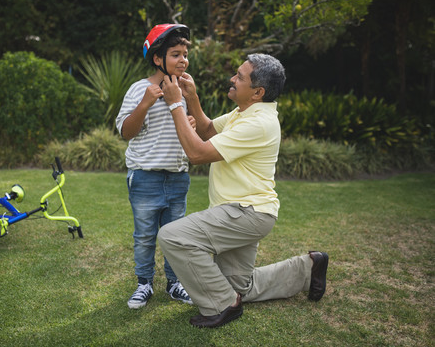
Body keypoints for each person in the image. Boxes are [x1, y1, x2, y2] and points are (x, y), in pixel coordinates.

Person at [157, 53, 329, 328]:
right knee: (239, 287)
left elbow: (197, 153)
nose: (232, 80)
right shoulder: (246, 111)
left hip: (246, 213)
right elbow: (209, 130)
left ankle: (223, 305)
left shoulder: (258, 123)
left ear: (257, 92)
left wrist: (175, 103)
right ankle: (307, 268)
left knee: (173, 236)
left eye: (239, 77)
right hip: (246, 212)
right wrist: (191, 99)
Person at [116, 24, 197, 309]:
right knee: (145, 236)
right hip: (145, 178)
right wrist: (146, 104)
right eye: (176, 54)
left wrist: (190, 125)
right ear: (157, 58)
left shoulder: (185, 89)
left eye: (185, 54)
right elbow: (126, 132)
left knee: (176, 236)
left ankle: (175, 284)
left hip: (177, 177)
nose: (183, 60)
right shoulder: (140, 89)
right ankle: (144, 284)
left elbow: (184, 132)